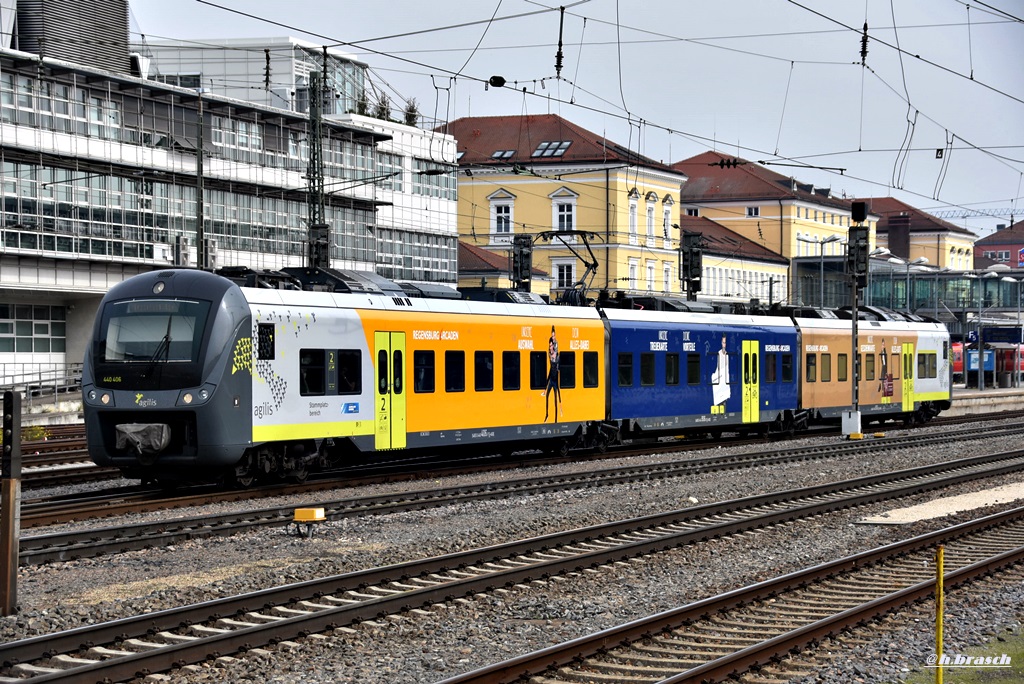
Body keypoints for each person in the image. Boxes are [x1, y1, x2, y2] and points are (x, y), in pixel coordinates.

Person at [544, 326, 561, 421]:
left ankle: (555, 419)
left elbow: (555, 369)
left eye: (554, 335)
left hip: (554, 381)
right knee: (547, 396)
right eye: (552, 335)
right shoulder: (550, 354)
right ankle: (547, 415)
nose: (553, 336)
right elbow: (551, 370)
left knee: (555, 400)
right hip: (551, 380)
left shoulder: (556, 353)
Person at [711, 334, 730, 408]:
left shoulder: (727, 354)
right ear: (721, 343)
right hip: (720, 378)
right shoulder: (719, 353)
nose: (724, 344)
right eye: (723, 342)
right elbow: (719, 366)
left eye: (725, 343)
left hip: (724, 380)